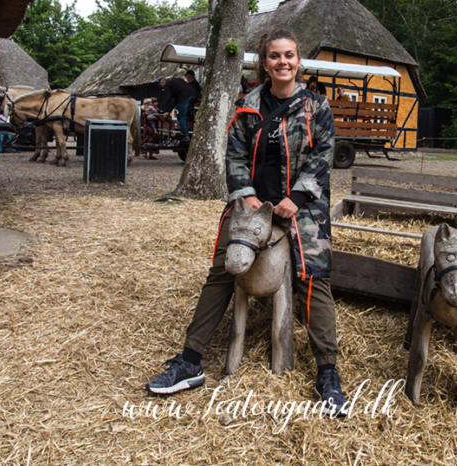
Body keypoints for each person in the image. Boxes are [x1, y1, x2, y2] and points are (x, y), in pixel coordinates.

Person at [146, 29, 349, 416]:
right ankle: (191, 360)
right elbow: (234, 154)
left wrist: (297, 198)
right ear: (264, 62)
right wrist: (245, 193)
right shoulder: (248, 104)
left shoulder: (316, 107)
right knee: (224, 268)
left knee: (312, 277)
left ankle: (327, 372)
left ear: (298, 61)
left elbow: (323, 156)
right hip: (252, 203)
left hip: (301, 206)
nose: (283, 62)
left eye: (289, 55)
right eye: (275, 56)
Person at [158, 74, 197, 141]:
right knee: (178, 104)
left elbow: (168, 98)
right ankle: (185, 127)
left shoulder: (167, 84)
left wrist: (167, 111)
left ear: (162, 82)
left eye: (162, 87)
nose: (163, 89)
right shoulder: (176, 81)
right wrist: (168, 110)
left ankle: (185, 135)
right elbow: (173, 100)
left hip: (184, 96)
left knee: (181, 116)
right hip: (193, 94)